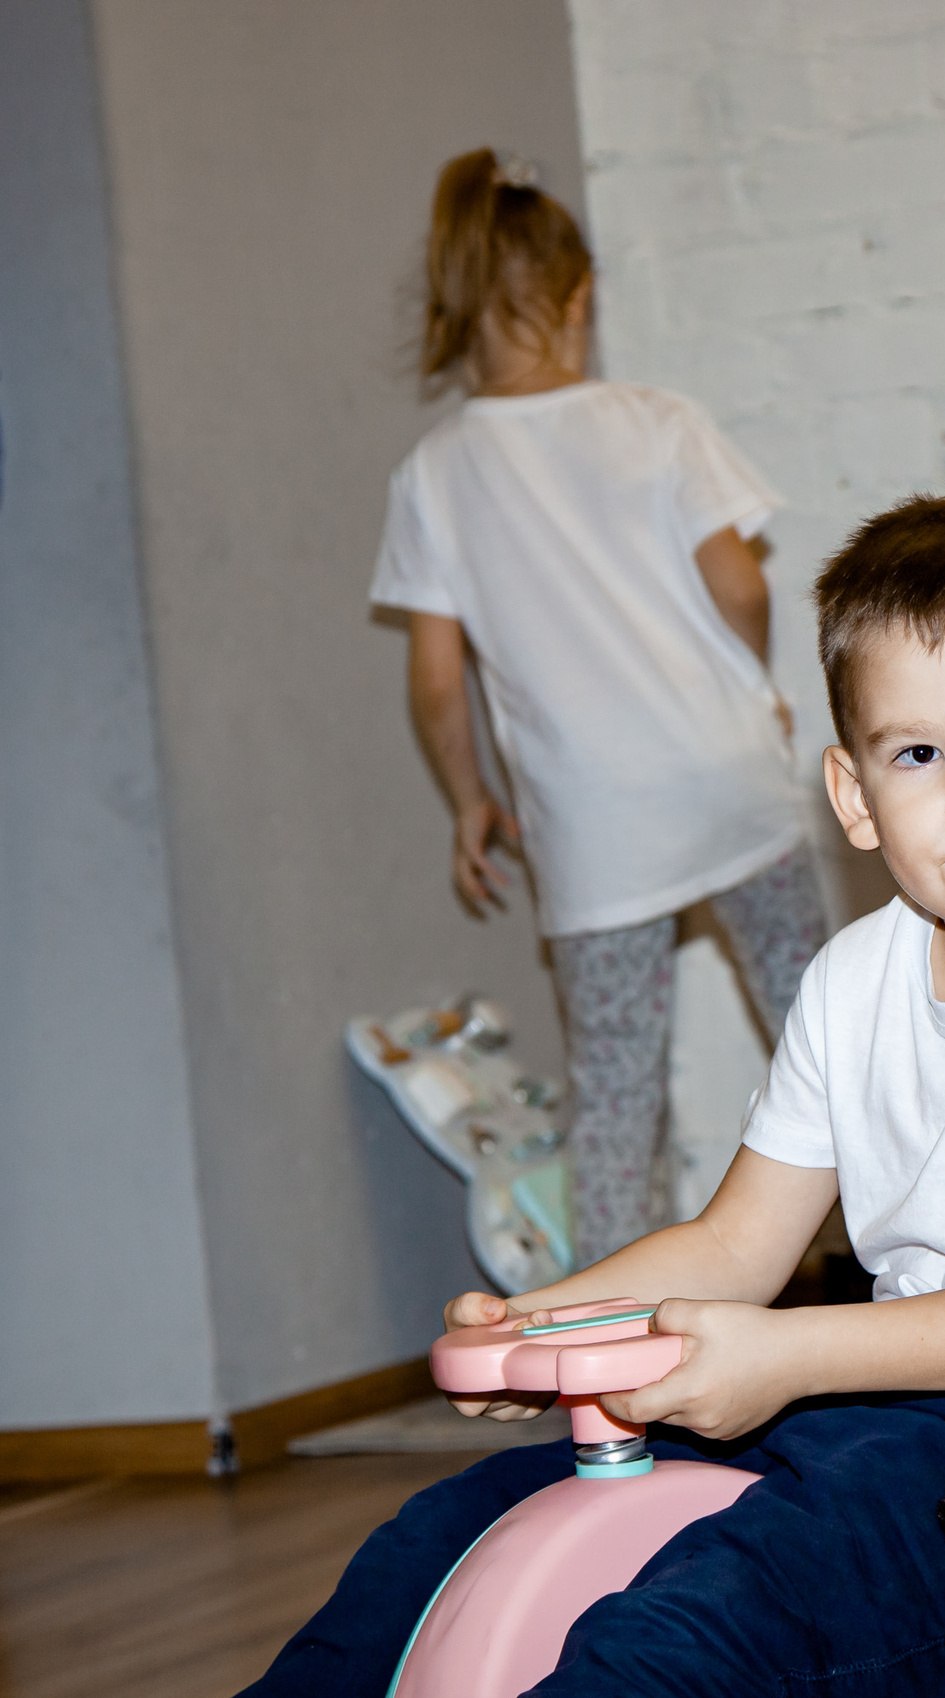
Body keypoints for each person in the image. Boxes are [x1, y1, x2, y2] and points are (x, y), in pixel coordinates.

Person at [125, 482, 945, 1698]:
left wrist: (784, 1355)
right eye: (917, 756)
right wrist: (543, 1326)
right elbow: (737, 1243)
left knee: (704, 1625)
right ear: (851, 794)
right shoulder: (855, 980)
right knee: (448, 1538)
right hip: (888, 1414)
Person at [373, 147, 825, 1263]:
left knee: (617, 1092)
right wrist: (754, 689)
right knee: (828, 1034)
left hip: (596, 821)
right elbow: (742, 581)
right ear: (579, 299)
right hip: (726, 772)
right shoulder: (656, 418)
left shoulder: (433, 474)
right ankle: (925, 1282)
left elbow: (436, 679)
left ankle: (612, 1361)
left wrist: (471, 798)